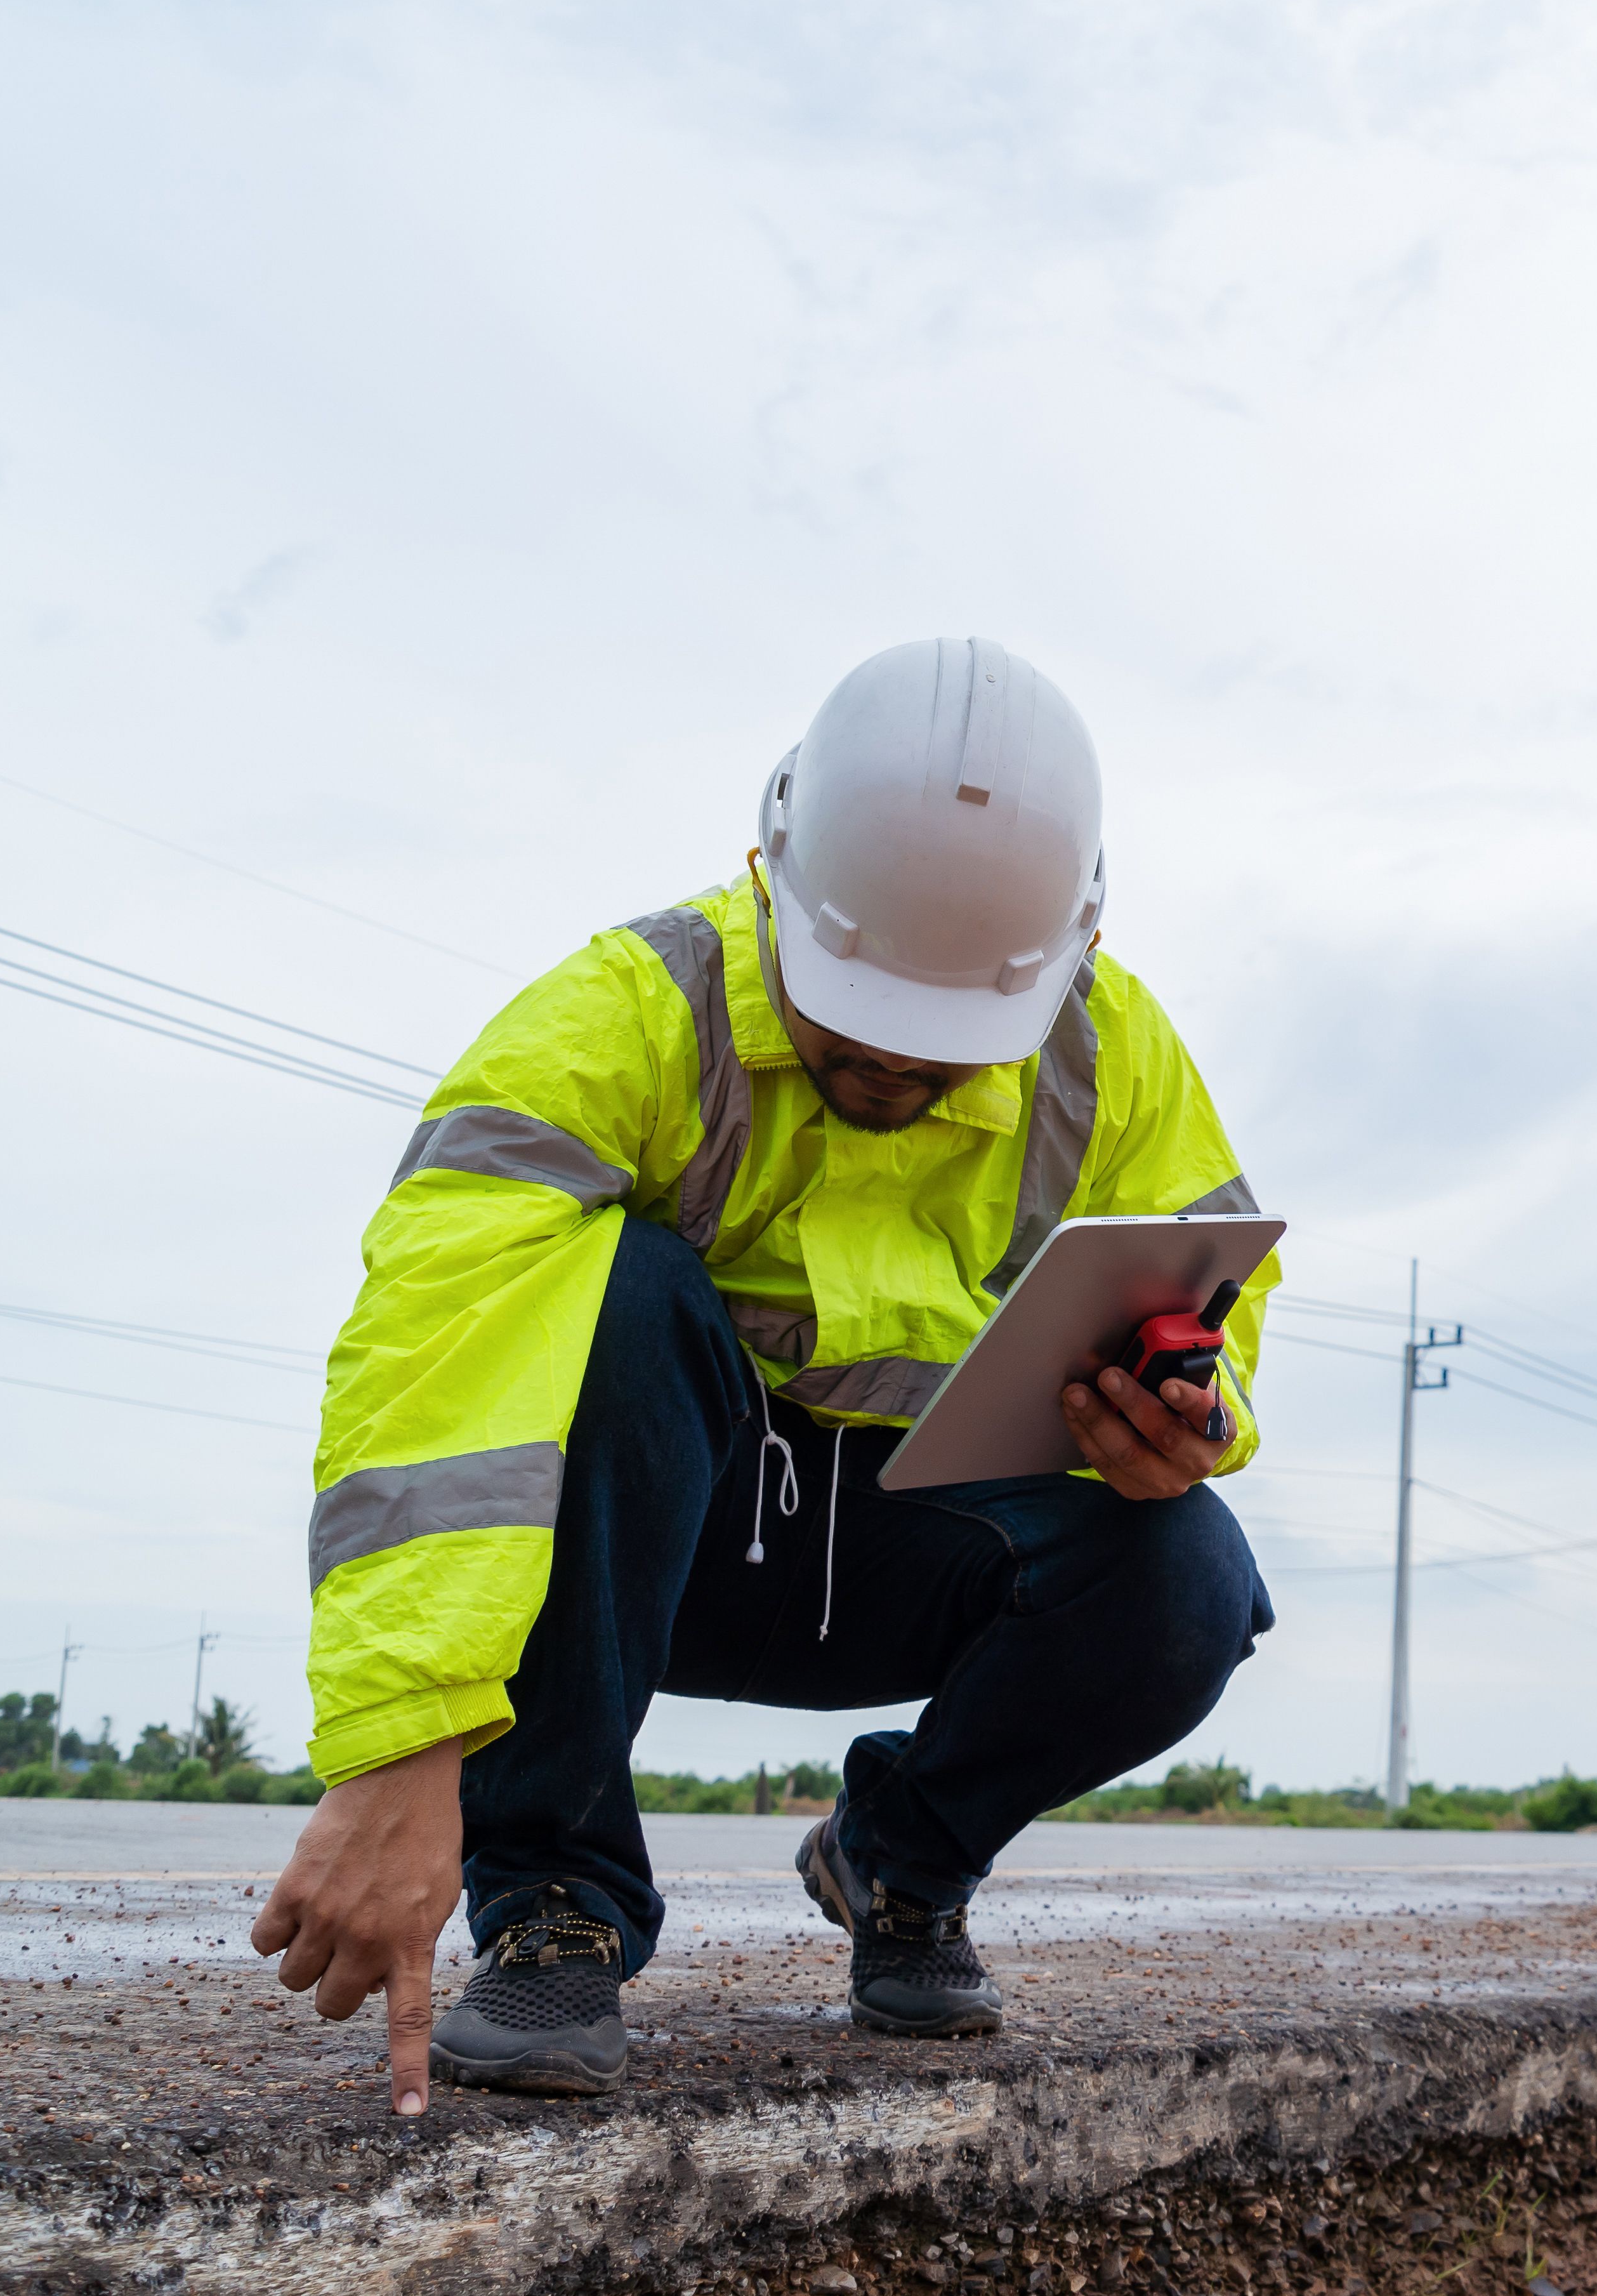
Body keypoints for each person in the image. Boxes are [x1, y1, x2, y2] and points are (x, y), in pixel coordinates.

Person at [247, 639, 1276, 2108]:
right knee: (617, 1290)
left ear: (1069, 954)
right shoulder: (623, 1018)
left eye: (947, 1042)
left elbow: (1215, 1290)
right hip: (651, 1553)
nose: (896, 1069)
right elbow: (436, 1374)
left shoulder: (1113, 1057)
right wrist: (403, 1744)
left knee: (1191, 1571)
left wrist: (1191, 1420)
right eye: (856, 1016)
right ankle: (555, 1901)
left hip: (910, 1549)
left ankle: (900, 1863)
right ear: (772, 883)